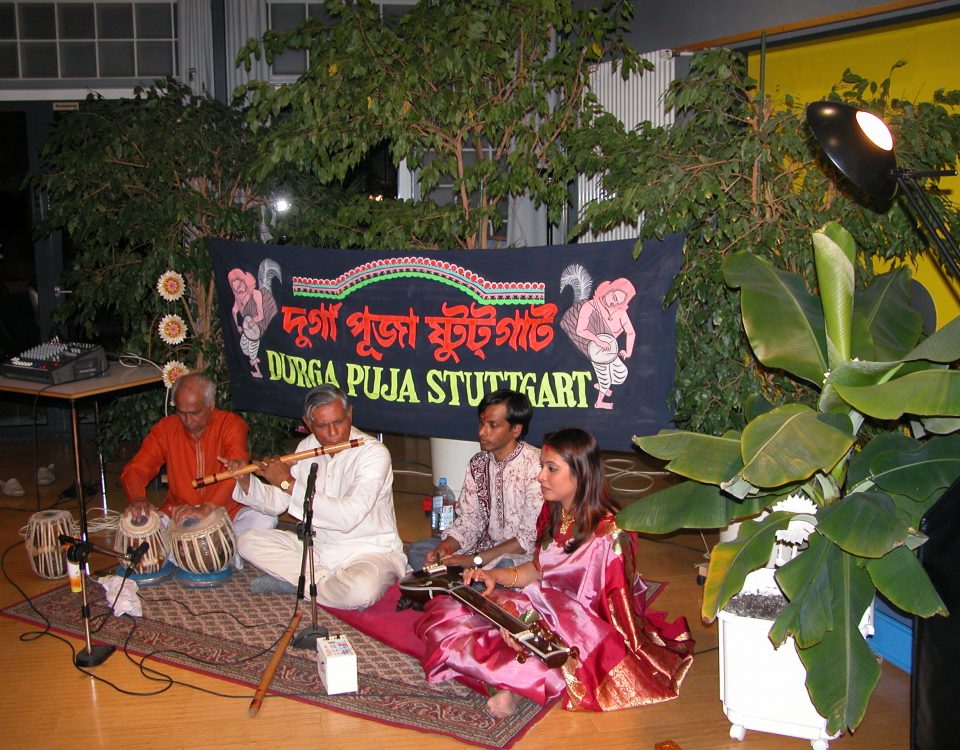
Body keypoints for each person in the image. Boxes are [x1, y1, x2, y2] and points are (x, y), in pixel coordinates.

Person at [414, 427, 694, 718]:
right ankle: (512, 676)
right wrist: (495, 577)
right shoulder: (556, 511)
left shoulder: (609, 534)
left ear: (580, 473)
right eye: (541, 467)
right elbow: (538, 569)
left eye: (551, 469)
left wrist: (536, 630)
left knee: (523, 645)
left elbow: (601, 617)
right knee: (446, 613)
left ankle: (515, 686)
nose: (540, 476)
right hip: (542, 605)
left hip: (580, 629)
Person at [226, 384, 406, 610]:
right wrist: (246, 481)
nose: (333, 433)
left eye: (339, 422)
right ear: (308, 423)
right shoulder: (307, 446)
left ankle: (304, 583)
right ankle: (322, 584)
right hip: (318, 549)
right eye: (322, 426)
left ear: (349, 413)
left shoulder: (374, 453)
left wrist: (287, 482)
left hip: (368, 550)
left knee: (361, 591)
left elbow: (347, 517)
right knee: (247, 541)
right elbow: (278, 503)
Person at [120, 372, 276, 534]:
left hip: (229, 510)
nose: (188, 420)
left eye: (195, 413)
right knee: (139, 529)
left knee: (265, 518)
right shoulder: (166, 429)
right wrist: (137, 497)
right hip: (179, 512)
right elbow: (135, 470)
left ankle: (225, 550)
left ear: (211, 405)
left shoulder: (231, 425)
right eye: (181, 412)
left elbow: (236, 472)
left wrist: (207, 508)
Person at [406, 389, 542, 573]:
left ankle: (460, 582)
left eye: (493, 425)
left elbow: (527, 539)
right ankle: (461, 582)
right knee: (419, 551)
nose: (481, 432)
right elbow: (470, 521)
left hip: (517, 556)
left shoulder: (536, 466)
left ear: (515, 430)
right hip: (481, 548)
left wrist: (473, 560)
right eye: (481, 423)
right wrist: (445, 548)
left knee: (502, 569)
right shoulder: (478, 463)